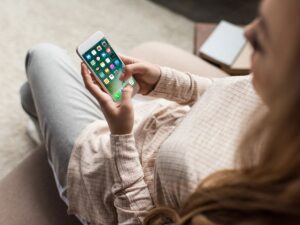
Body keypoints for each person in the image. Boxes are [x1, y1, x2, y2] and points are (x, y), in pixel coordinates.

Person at [20, 0, 299, 224]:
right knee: (31, 92)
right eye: (259, 17)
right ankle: (45, 130)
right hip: (153, 120)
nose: (246, 32)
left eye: (263, 39)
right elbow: (226, 93)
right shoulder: (283, 101)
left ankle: (54, 156)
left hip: (109, 175)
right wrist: (162, 81)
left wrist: (121, 135)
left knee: (42, 55)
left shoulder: (252, 205)